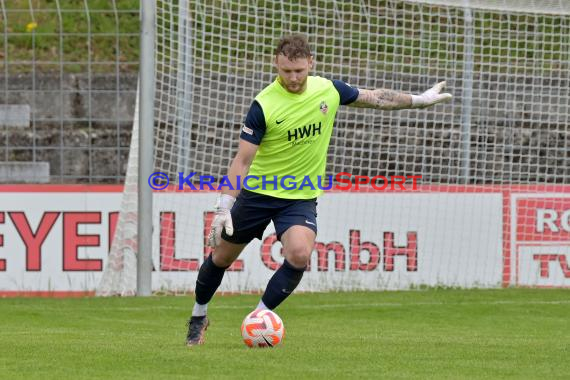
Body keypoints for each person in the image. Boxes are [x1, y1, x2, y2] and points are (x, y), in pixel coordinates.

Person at [186, 34, 452, 346]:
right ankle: (198, 315)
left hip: (298, 198)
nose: (294, 78)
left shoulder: (329, 90)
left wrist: (418, 100)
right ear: (276, 65)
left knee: (299, 254)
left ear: (311, 63)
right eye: (287, 71)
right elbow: (242, 160)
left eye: (299, 71)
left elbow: (377, 98)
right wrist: (224, 207)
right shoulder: (264, 104)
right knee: (221, 258)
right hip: (258, 194)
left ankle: (260, 319)